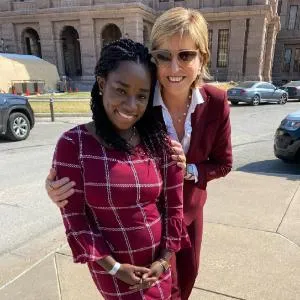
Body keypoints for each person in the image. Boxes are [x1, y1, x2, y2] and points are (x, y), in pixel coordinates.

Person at [46, 7, 232, 300]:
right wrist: (56, 186)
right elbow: (99, 144)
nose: (174, 68)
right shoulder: (141, 103)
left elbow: (224, 163)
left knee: (186, 281)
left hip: (187, 210)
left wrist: (191, 169)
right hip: (138, 222)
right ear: (153, 58)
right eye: (163, 56)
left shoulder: (215, 103)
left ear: (202, 58)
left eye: (185, 55)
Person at [51, 39, 190, 300]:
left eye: (141, 96)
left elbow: (174, 210)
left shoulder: (159, 145)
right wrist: (115, 267)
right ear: (102, 84)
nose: (131, 105)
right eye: (121, 90)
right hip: (111, 271)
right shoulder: (74, 144)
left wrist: (162, 262)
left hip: (157, 268)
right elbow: (76, 221)